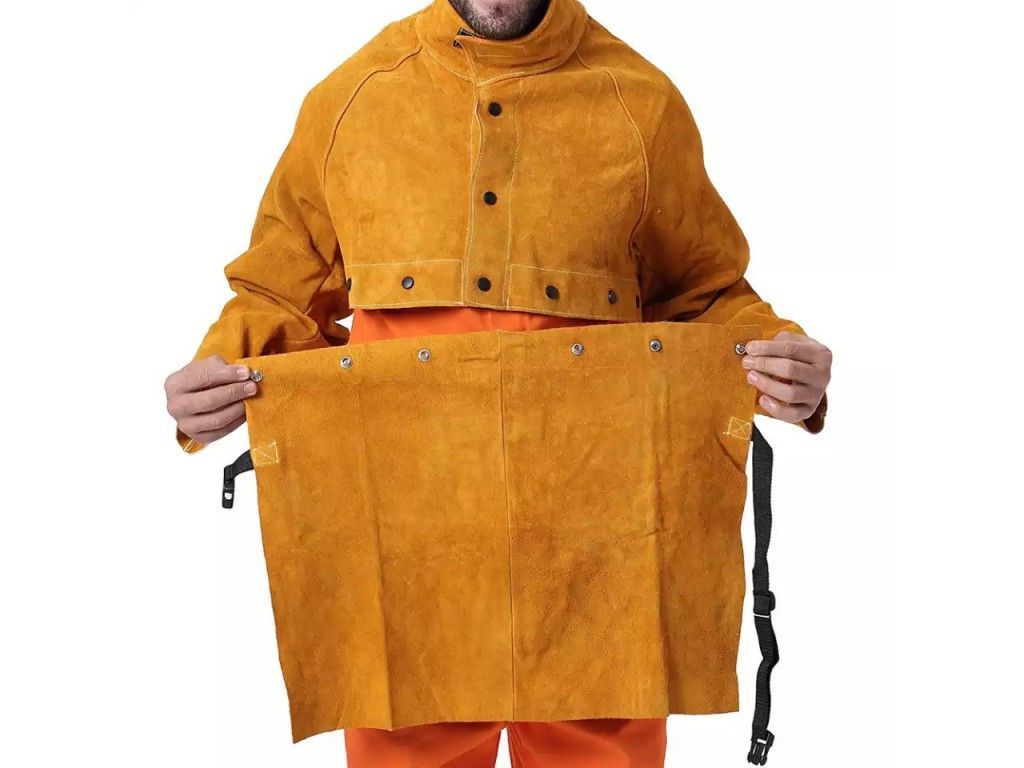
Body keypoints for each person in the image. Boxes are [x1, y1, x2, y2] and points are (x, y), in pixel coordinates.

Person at [165, 1, 832, 765]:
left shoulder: (640, 105)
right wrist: (217, 370)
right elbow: (280, 294)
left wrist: (781, 354)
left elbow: (705, 293)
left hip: (599, 564)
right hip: (405, 561)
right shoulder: (352, 100)